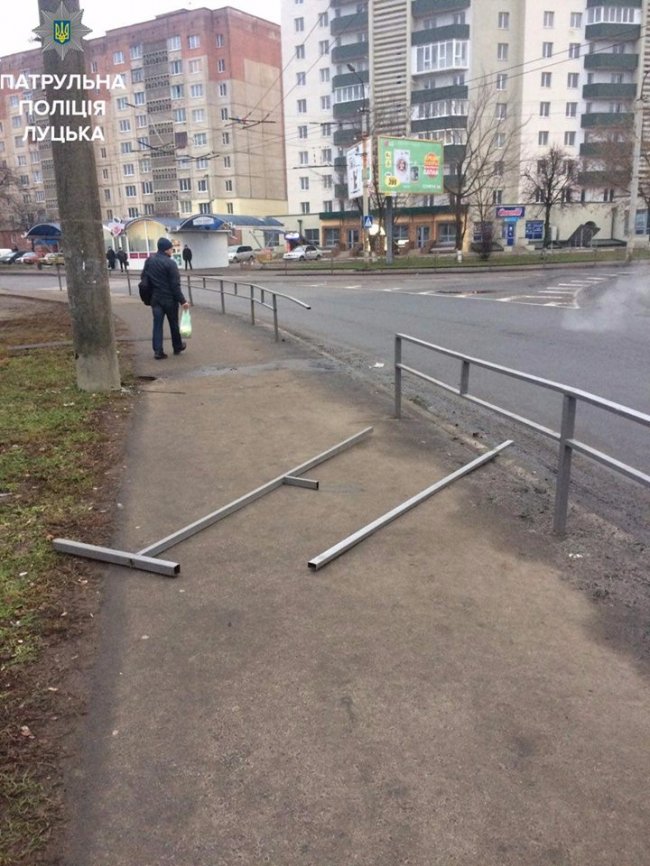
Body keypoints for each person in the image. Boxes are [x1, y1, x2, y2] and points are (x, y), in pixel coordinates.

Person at [143, 237, 190, 359]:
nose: (172, 251)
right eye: (171, 249)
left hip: (155, 299)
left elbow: (144, 278)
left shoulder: (149, 261)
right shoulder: (170, 263)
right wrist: (183, 301)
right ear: (166, 250)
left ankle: (158, 351)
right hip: (169, 300)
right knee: (173, 323)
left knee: (157, 324)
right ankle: (177, 346)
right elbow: (175, 285)